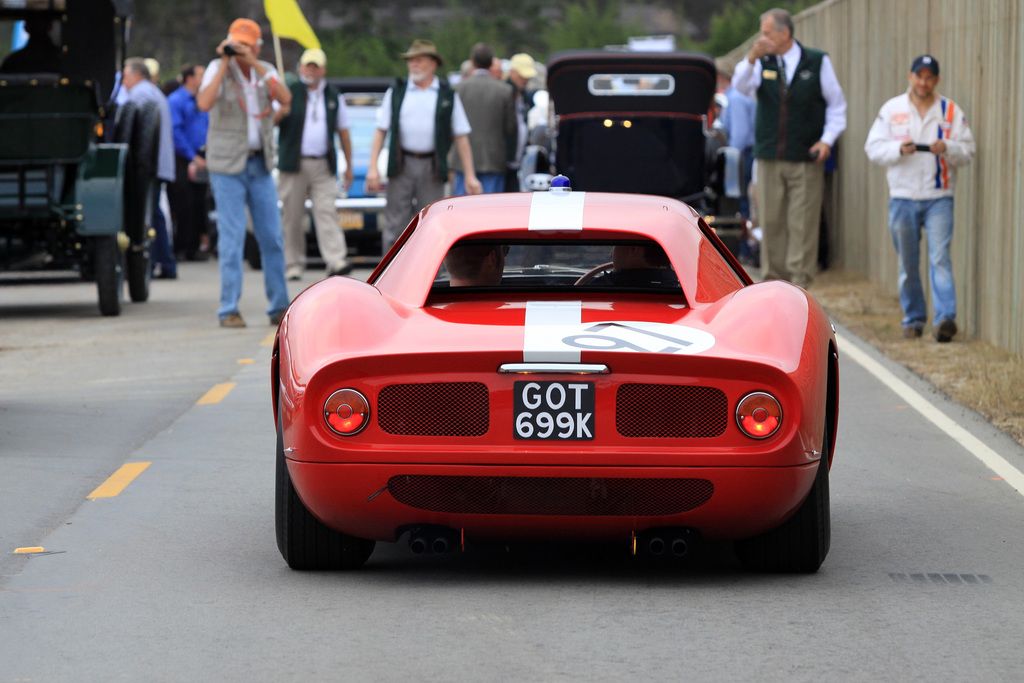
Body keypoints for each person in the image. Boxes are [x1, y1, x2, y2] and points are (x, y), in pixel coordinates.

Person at [731, 7, 846, 288]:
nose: (762, 38)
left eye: (767, 33)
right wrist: (750, 58)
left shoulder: (817, 61)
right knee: (771, 222)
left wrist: (826, 140)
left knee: (803, 223)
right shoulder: (761, 62)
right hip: (769, 156)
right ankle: (774, 283)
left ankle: (800, 284)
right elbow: (740, 86)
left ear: (785, 34)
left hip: (805, 157)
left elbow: (837, 105)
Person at [864, 55, 975, 342]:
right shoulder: (892, 109)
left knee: (940, 258)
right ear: (910, 76)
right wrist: (898, 149)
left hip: (939, 196)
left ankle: (944, 320)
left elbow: (968, 152)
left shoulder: (950, 110)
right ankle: (913, 319)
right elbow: (873, 148)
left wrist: (947, 147)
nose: (923, 82)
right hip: (902, 196)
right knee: (908, 263)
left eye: (929, 77)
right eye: (919, 76)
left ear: (936, 80)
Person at [196, 18, 292, 328]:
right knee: (232, 237)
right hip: (227, 166)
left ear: (257, 46)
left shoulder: (265, 70)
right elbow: (204, 102)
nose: (239, 50)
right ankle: (228, 309)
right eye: (235, 44)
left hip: (260, 163)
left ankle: (279, 306)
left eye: (246, 46)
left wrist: (256, 65)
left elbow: (286, 99)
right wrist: (226, 62)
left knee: (272, 237)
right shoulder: (217, 68)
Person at [365, 39, 482, 253]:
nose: (413, 65)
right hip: (402, 163)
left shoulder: (446, 94)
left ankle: (430, 271)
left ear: (433, 64)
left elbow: (461, 137)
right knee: (395, 221)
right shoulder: (397, 92)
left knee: (433, 220)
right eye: (411, 61)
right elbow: (380, 130)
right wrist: (373, 166)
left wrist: (470, 175)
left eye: (419, 61)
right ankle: (389, 271)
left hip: (433, 165)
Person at [277, 48, 354, 281]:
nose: (311, 69)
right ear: (300, 67)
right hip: (293, 163)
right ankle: (293, 263)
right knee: (292, 214)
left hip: (322, 163)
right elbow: (271, 120)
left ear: (323, 69)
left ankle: (335, 259)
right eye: (307, 65)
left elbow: (343, 132)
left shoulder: (333, 95)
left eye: (315, 66)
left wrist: (348, 165)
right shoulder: (288, 91)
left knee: (326, 210)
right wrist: (282, 111)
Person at [119, 57, 177, 279]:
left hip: (148, 164)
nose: (123, 82)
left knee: (147, 216)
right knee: (155, 214)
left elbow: (136, 133)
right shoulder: (151, 91)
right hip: (158, 162)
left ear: (137, 75)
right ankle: (166, 263)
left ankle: (151, 264)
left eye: (125, 76)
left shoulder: (140, 94)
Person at [450, 43, 515, 195]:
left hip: (462, 162)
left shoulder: (458, 89)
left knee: (461, 211)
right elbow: (511, 127)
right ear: (492, 63)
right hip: (493, 160)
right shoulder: (505, 90)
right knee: (489, 213)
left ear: (472, 62)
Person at [167, 63, 211, 261]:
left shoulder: (205, 99)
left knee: (199, 203)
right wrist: (192, 156)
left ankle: (194, 246)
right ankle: (181, 247)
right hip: (184, 158)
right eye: (201, 74)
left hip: (203, 156)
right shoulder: (176, 100)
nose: (204, 78)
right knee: (183, 203)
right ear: (190, 78)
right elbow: (176, 131)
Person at [504, 53, 538, 192]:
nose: (526, 79)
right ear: (512, 73)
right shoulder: (505, 93)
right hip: (504, 161)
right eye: (522, 75)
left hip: (516, 160)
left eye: (527, 76)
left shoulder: (524, 97)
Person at [588, 244, 679, 289]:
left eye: (616, 246)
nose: (610, 255)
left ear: (633, 250)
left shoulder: (598, 287)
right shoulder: (681, 289)